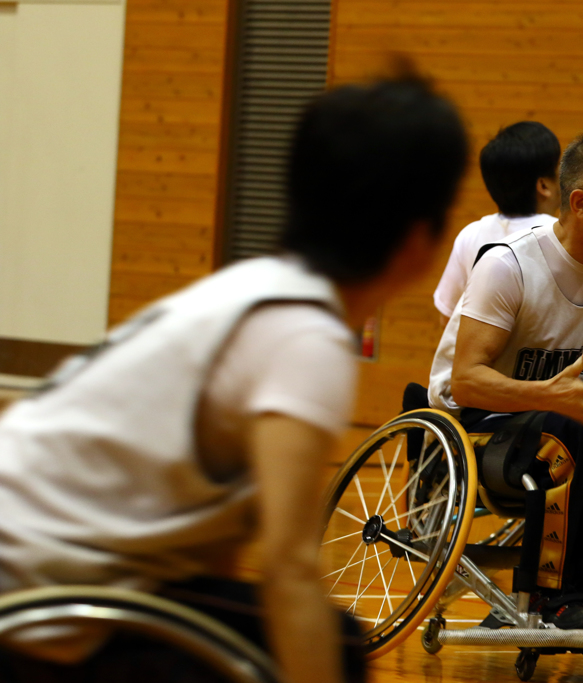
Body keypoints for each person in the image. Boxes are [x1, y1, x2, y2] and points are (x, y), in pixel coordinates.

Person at [0, 75, 467, 683]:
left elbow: (218, 547)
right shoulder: (303, 338)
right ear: (419, 239)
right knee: (331, 644)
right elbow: (288, 567)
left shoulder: (252, 292)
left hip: (52, 576)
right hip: (31, 602)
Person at [428, 129, 583, 630]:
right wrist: (550, 395)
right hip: (475, 425)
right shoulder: (508, 267)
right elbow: (465, 382)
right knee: (567, 424)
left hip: (558, 417)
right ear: (580, 203)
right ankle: (553, 595)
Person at [433, 121, 561, 327]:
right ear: (544, 185)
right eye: (559, 169)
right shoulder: (564, 236)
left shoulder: (471, 234)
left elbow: (447, 318)